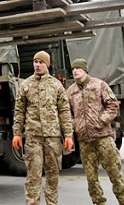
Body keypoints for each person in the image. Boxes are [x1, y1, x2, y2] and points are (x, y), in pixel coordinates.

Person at [66, 58, 124, 205]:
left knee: (115, 173)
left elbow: (113, 105)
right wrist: (74, 124)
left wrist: (101, 120)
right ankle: (98, 202)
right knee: (91, 178)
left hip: (103, 138)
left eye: (78, 68)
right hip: (84, 141)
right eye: (73, 69)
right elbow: (65, 112)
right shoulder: (71, 91)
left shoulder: (99, 85)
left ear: (85, 70)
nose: (75, 71)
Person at [12, 51, 74, 205]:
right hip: (33, 138)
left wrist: (68, 135)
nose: (37, 65)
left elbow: (64, 111)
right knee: (33, 176)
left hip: (52, 138)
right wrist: (17, 133)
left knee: (53, 176)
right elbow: (19, 111)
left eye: (41, 62)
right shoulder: (25, 85)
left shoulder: (56, 85)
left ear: (47, 64)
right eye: (35, 61)